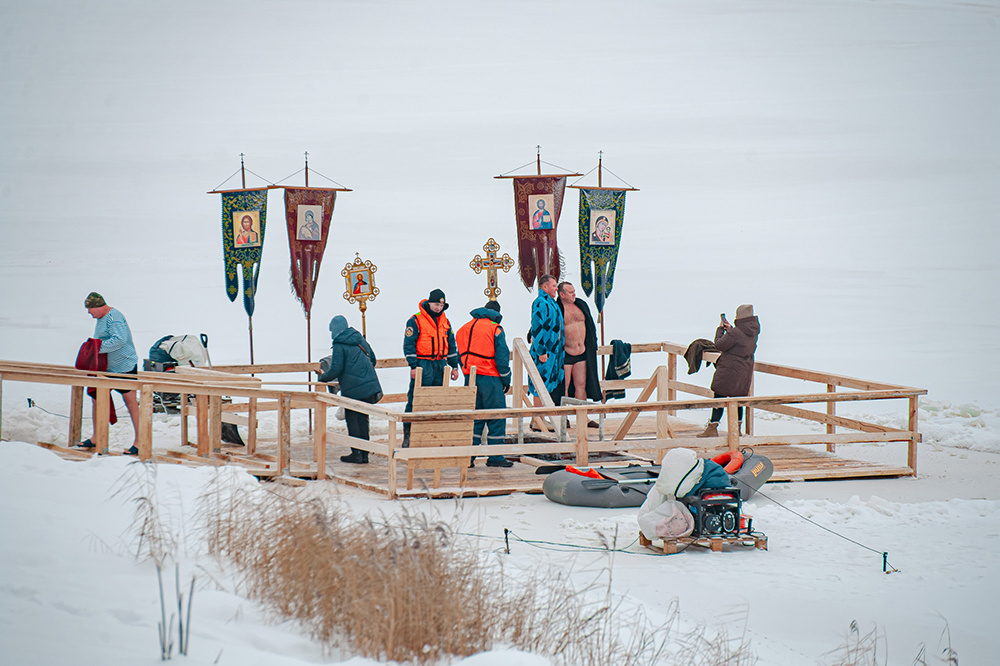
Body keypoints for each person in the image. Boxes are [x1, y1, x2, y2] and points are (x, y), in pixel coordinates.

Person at [77, 292, 140, 455]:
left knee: (131, 402)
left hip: (124, 365)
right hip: (107, 367)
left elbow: (120, 340)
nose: (89, 313)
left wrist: (97, 348)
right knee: (98, 399)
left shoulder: (114, 317)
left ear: (98, 307)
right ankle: (97, 437)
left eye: (90, 309)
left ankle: (140, 441)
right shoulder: (101, 319)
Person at [318, 315, 383, 464]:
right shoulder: (359, 339)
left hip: (353, 390)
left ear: (334, 329)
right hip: (369, 386)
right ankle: (364, 454)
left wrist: (323, 377)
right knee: (363, 420)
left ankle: (356, 454)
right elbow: (373, 359)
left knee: (353, 419)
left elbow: (336, 368)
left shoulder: (339, 344)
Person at [456, 301, 513, 468]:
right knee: (496, 416)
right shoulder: (495, 329)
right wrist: (505, 379)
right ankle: (495, 457)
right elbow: (501, 357)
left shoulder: (463, 329)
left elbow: (459, 354)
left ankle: (469, 458)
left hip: (471, 379)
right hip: (491, 378)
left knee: (475, 418)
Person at [402, 288, 461, 445]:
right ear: (429, 303)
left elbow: (451, 345)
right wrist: (413, 366)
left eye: (441, 306)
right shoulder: (415, 320)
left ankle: (432, 436)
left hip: (440, 365)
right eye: (436, 304)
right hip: (423, 365)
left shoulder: (446, 322)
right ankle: (409, 435)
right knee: (416, 400)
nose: (438, 308)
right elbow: (409, 344)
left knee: (437, 401)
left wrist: (454, 366)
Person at [698, 304, 760, 437]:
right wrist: (731, 329)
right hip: (744, 370)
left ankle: (712, 428)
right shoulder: (753, 331)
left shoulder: (735, 333)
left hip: (729, 370)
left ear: (739, 316)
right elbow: (740, 342)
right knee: (738, 400)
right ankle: (736, 430)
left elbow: (719, 345)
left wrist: (721, 329)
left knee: (719, 397)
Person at [555, 281, 602, 427]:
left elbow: (589, 324)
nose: (574, 294)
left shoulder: (580, 304)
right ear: (561, 294)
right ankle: (564, 418)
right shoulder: (556, 308)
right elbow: (546, 324)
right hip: (566, 353)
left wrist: (593, 342)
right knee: (565, 387)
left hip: (582, 352)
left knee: (581, 385)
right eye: (570, 292)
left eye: (574, 291)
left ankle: (583, 418)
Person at [528, 275, 564, 412]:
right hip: (544, 351)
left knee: (548, 383)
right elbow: (537, 328)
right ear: (545, 287)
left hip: (553, 351)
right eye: (554, 285)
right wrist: (541, 351)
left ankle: (541, 417)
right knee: (539, 384)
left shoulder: (552, 302)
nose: (556, 288)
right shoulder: (540, 303)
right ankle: (538, 419)